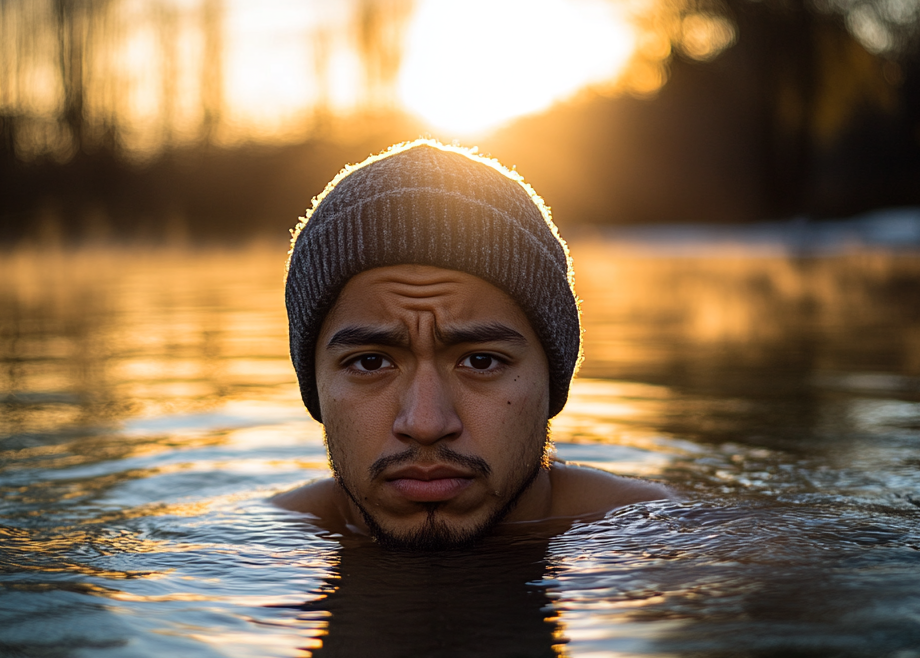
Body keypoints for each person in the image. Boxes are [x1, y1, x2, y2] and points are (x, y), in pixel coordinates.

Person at [274, 139, 669, 549]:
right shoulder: (262, 543)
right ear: (314, 388)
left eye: (481, 361)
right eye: (371, 363)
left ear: (554, 376)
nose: (425, 424)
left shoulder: (662, 543)